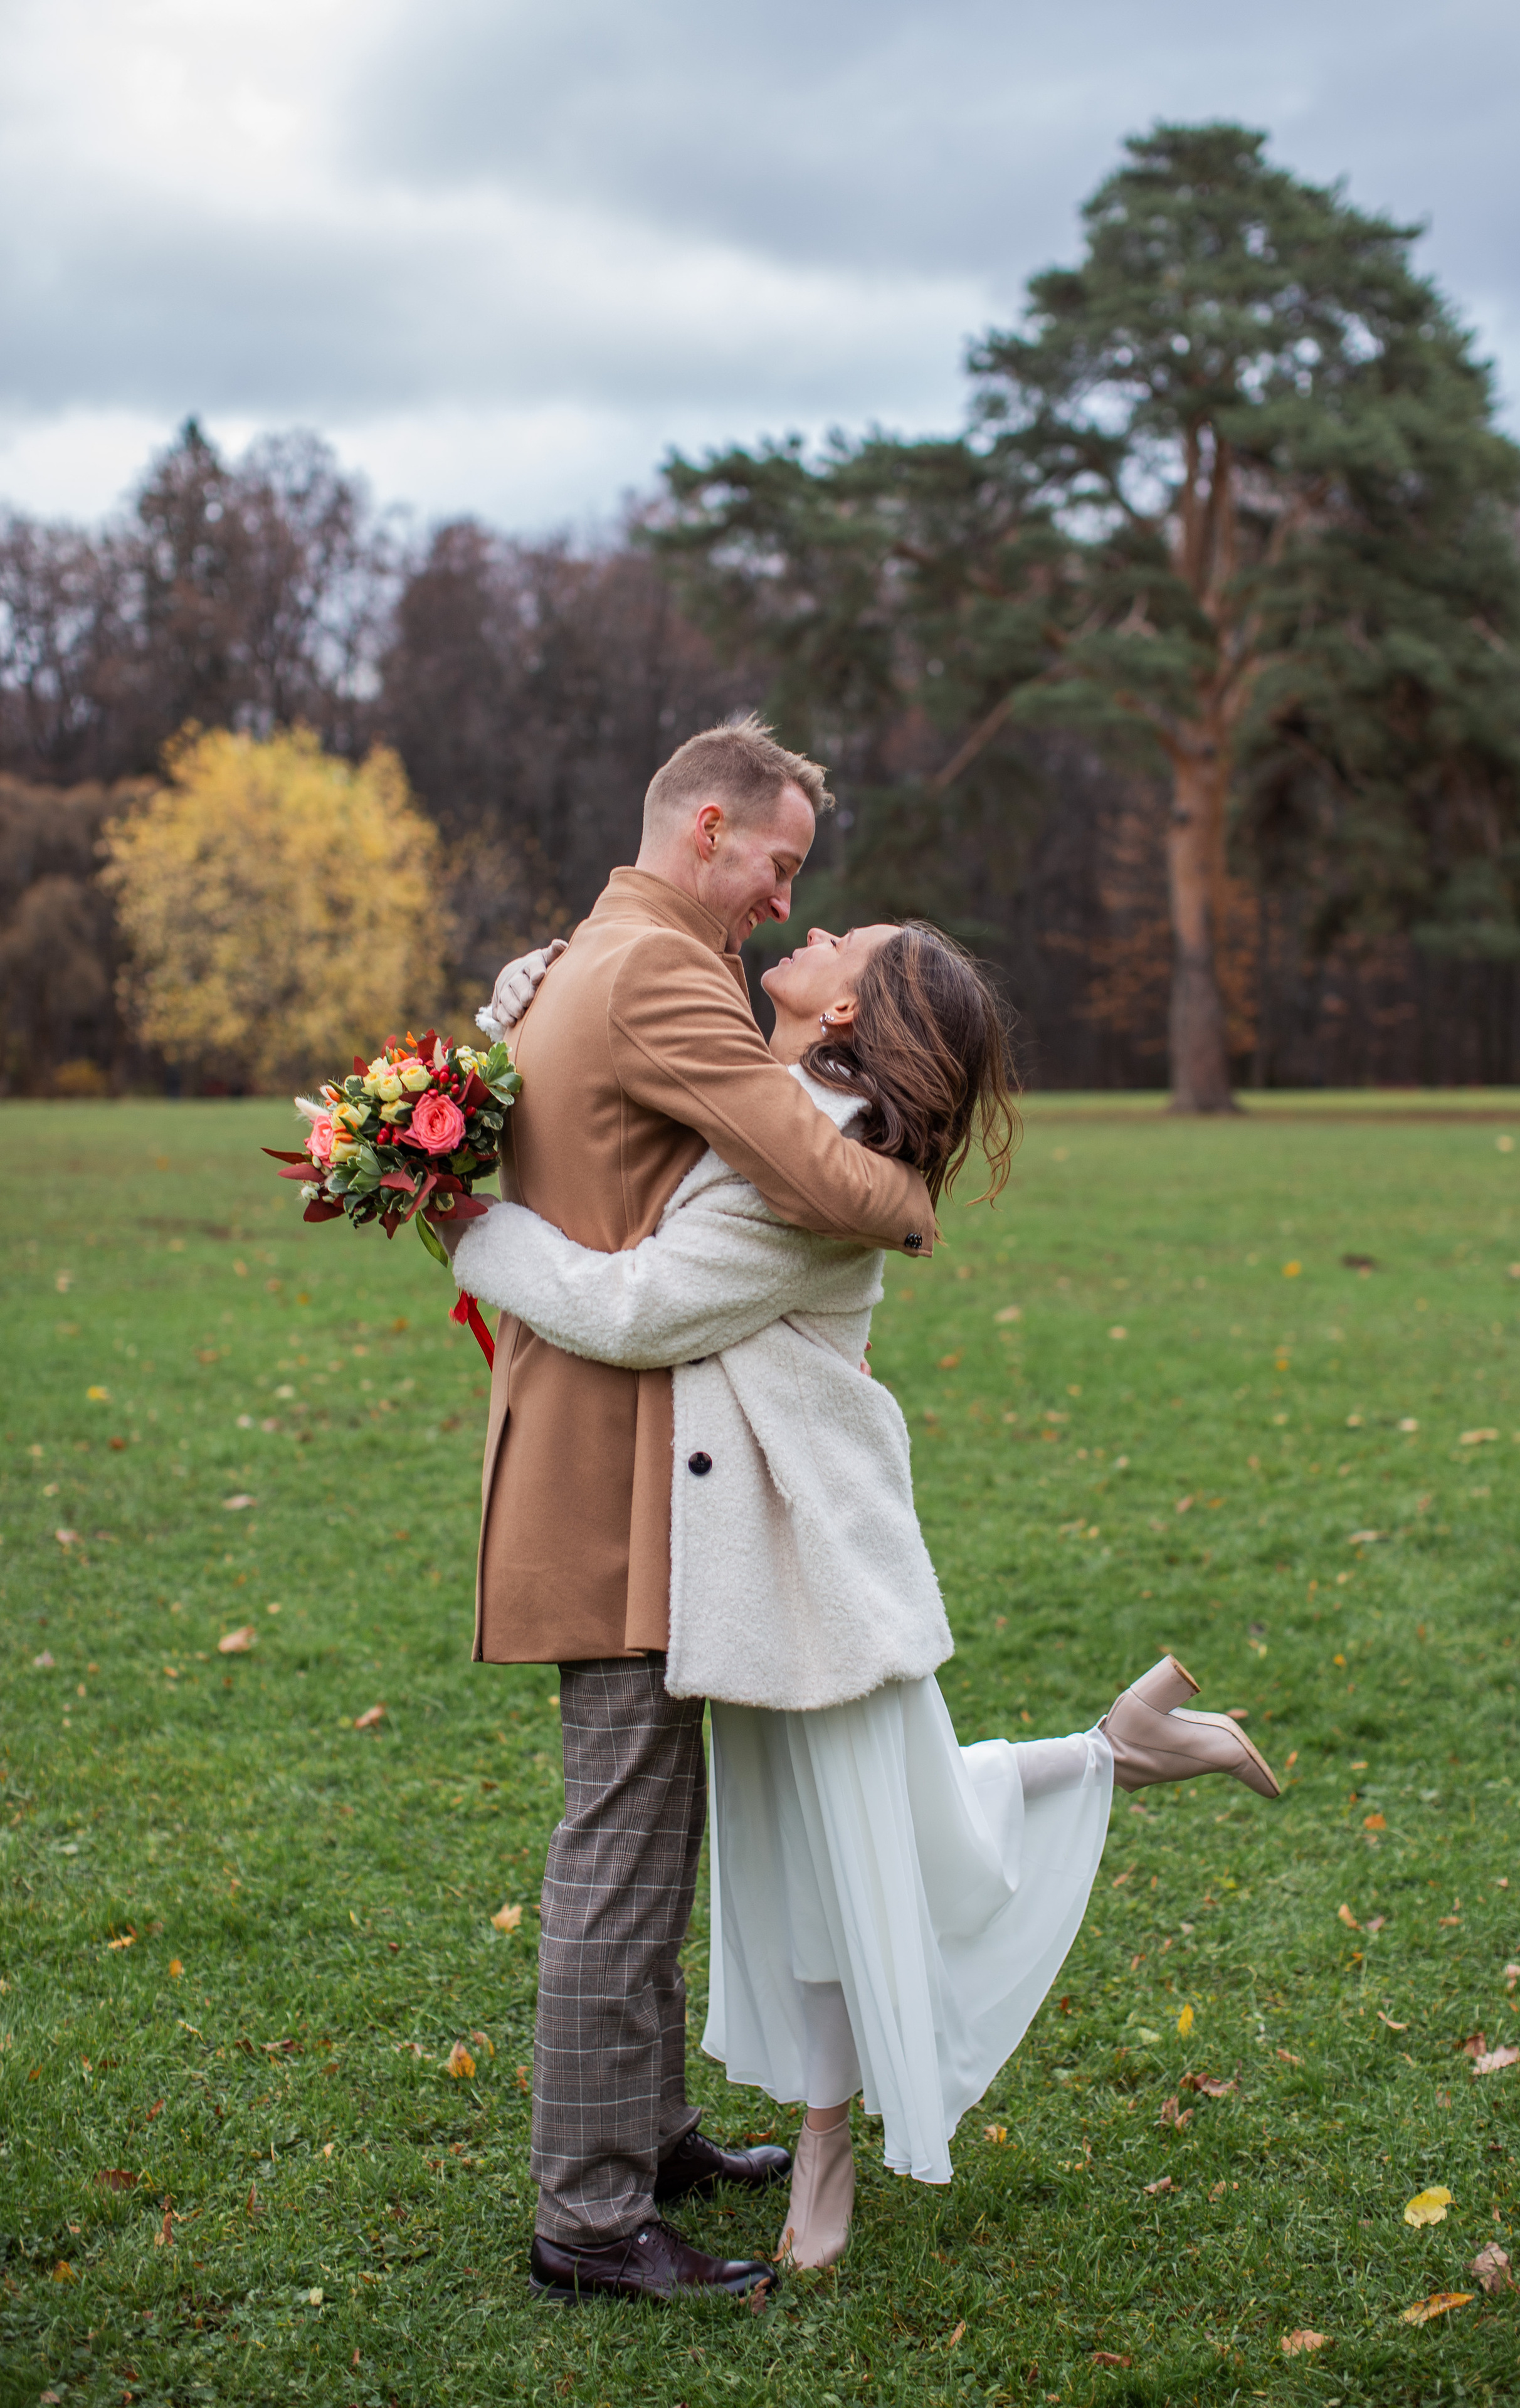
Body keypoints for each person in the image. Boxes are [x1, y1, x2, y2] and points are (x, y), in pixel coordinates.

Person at [452, 914, 1279, 2283]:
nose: (811, 922)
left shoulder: (835, 1161)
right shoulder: (759, 1097)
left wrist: (466, 1221)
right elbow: (619, 1117)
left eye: (848, 939)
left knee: (856, 1842)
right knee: (849, 1830)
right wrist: (523, 1009)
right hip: (734, 1557)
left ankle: (830, 2140)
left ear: (846, 1016)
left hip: (812, 1565)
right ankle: (1114, 1750)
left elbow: (637, 1307)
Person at [463, 718, 936, 2310]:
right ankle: (588, 2221)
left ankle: (645, 2131)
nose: (782, 902)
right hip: (615, 1460)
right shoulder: (661, 974)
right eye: (779, 866)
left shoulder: (599, 954)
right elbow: (815, 1164)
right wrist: (913, 1199)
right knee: (621, 1846)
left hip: (615, 1443)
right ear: (710, 825)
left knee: (647, 1831)